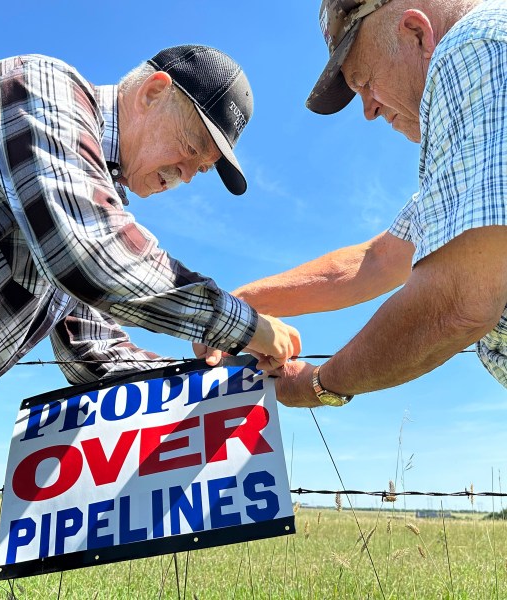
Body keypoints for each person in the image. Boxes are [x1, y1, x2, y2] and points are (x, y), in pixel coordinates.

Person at [0, 46, 300, 599]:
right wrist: (245, 326)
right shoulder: (44, 88)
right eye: (190, 150)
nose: (185, 177)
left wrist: (224, 386)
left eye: (200, 171)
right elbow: (92, 253)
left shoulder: (86, 199)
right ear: (153, 91)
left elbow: (99, 356)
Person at [217, 0, 507, 408]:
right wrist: (237, 305)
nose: (368, 111)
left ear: (417, 33)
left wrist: (321, 384)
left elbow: (461, 299)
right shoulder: (476, 150)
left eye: (364, 82)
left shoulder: (472, 46)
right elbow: (378, 259)